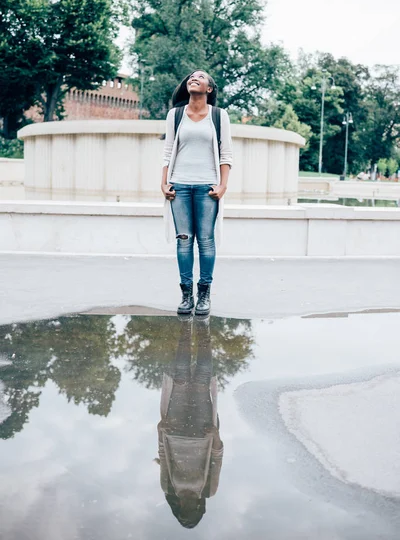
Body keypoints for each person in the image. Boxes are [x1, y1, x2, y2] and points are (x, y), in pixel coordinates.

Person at [161, 70, 233, 316]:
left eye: (201, 77)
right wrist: (164, 183)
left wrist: (222, 185)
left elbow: (226, 154)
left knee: (206, 241)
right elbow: (168, 151)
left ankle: (204, 294)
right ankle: (186, 294)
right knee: (183, 241)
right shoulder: (176, 115)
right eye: (192, 76)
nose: (194, 78)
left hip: (207, 187)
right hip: (179, 185)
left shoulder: (219, 116)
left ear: (209, 89)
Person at [156, 316, 223, 528]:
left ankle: (186, 325)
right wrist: (215, 435)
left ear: (178, 509)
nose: (187, 508)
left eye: (183, 511)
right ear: (197, 510)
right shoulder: (207, 490)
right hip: (203, 430)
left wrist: (160, 429)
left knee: (181, 377)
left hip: (174, 429)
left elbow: (163, 454)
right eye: (190, 511)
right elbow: (217, 459)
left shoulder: (168, 487)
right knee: (203, 376)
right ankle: (203, 324)